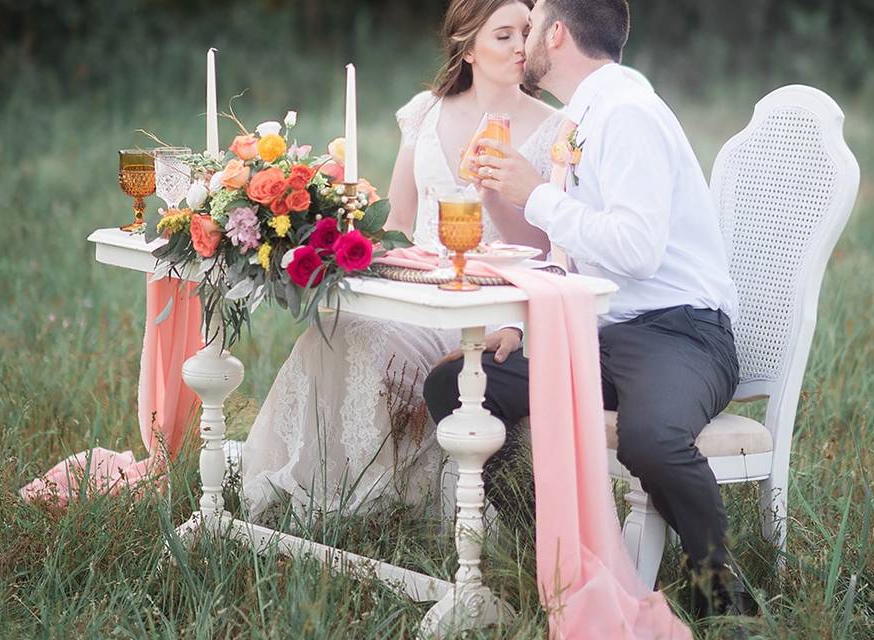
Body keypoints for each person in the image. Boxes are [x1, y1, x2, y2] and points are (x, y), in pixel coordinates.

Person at [423, 0, 744, 615]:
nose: (525, 37)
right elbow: (562, 247)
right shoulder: (582, 115)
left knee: (651, 440)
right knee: (457, 387)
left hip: (680, 331)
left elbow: (637, 251)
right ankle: (559, 546)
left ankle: (723, 593)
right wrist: (516, 308)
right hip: (592, 330)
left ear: (559, 33)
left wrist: (538, 193)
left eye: (535, 19)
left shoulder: (628, 114)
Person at [241, 0, 564, 524]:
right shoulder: (426, 113)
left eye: (527, 32)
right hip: (421, 289)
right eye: (504, 35)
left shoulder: (554, 127)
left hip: (496, 302)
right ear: (468, 45)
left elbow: (550, 250)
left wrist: (514, 316)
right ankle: (318, 489)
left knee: (369, 341)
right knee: (339, 330)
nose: (521, 46)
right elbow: (397, 225)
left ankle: (381, 502)